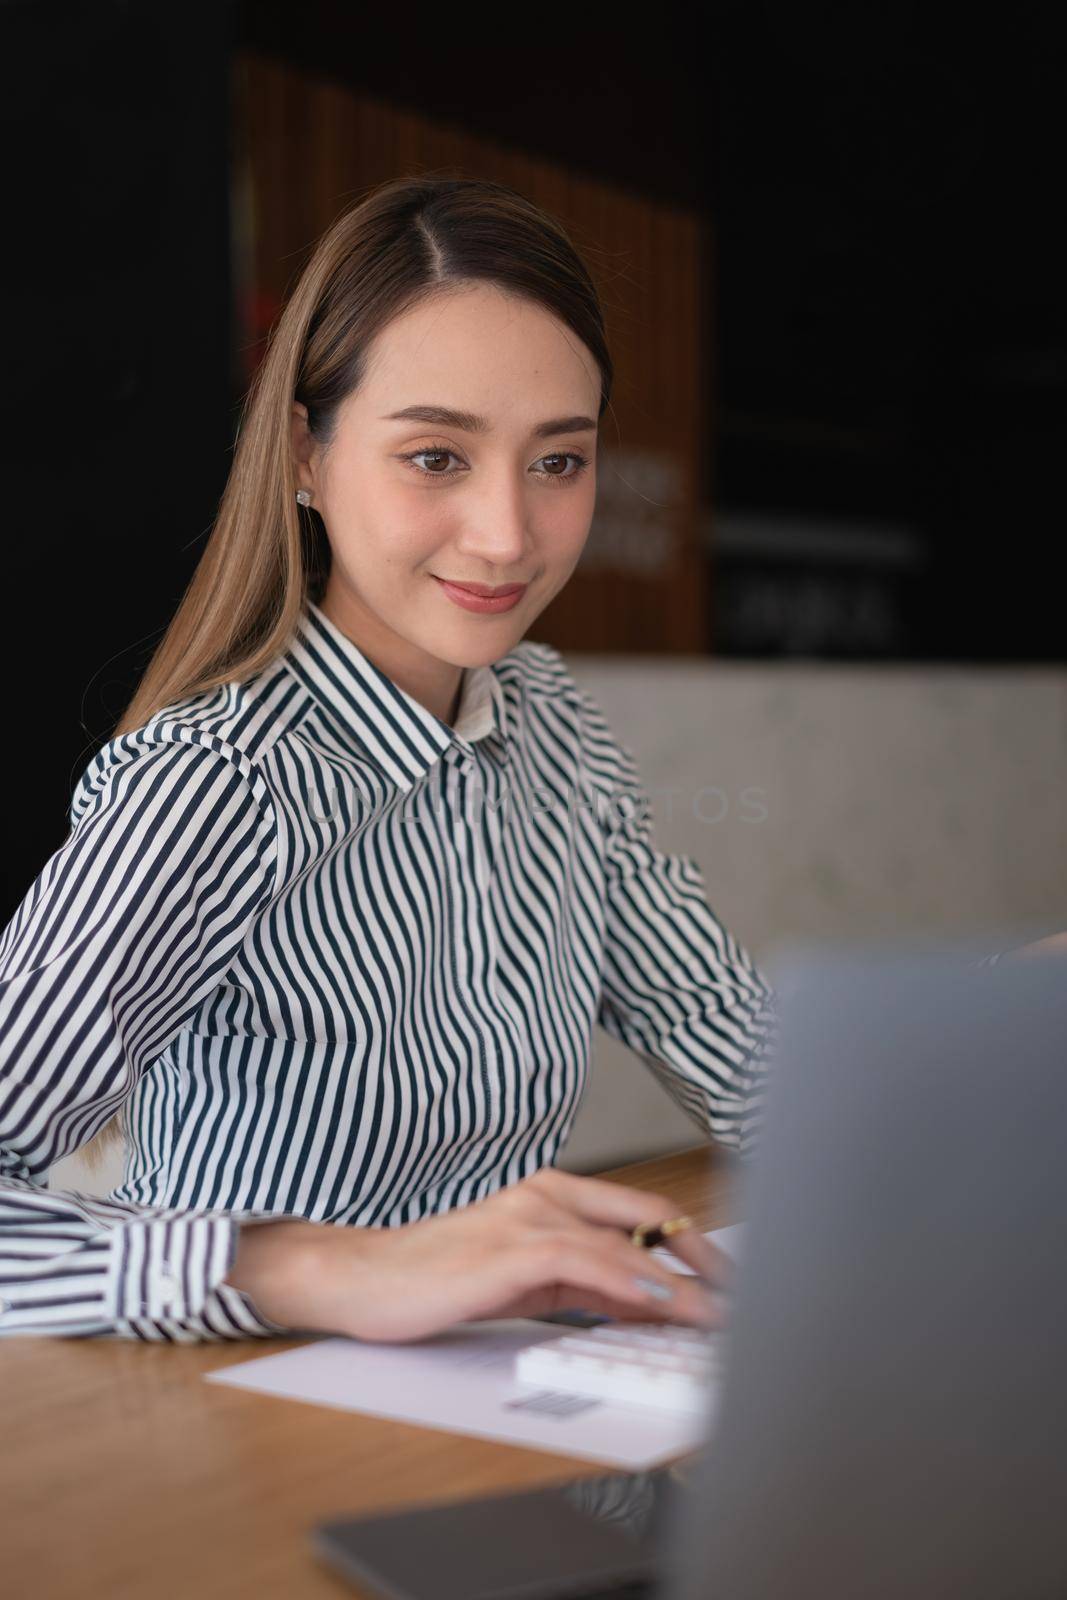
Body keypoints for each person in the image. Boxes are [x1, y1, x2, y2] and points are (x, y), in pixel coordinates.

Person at [0, 175, 1030, 1348]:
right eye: (436, 457)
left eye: (556, 462)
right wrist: (325, 1267)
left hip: (504, 1397)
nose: (506, 534)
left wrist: (1007, 1015)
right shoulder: (217, 781)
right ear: (302, 452)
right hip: (245, 1416)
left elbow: (758, 1072)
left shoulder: (552, 725)